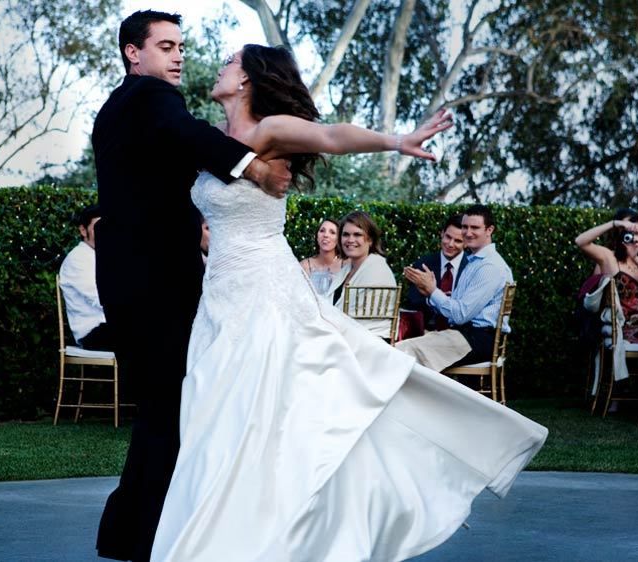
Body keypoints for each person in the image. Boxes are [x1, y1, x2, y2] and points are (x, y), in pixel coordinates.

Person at [149, 44, 547, 561]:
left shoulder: (267, 131)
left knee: (274, 407)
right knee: (216, 413)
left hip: (265, 293)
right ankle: (231, 529)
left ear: (246, 80)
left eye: (228, 61)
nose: (219, 65)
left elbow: (332, 136)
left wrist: (399, 140)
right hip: (221, 297)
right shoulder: (213, 140)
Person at [92, 11, 294, 561]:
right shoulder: (153, 99)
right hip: (157, 281)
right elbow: (190, 134)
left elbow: (142, 178)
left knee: (162, 407)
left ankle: (135, 531)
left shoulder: (118, 107)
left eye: (181, 45)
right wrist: (251, 167)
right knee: (172, 408)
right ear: (134, 53)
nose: (178, 55)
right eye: (165, 45)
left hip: (130, 278)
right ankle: (156, 536)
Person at [395, 205, 513, 372]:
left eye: (475, 227)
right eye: (465, 227)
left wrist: (432, 290)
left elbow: (459, 315)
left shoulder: (489, 266)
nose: (468, 232)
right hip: (465, 335)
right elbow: (456, 311)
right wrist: (429, 293)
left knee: (403, 353)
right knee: (400, 349)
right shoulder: (476, 261)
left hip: (477, 339)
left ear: (489, 230)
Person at [576, 210, 638, 344]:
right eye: (633, 233)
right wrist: (613, 224)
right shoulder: (609, 257)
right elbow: (580, 241)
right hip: (618, 324)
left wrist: (635, 258)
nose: (637, 239)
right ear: (624, 234)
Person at [328, 211, 398, 339]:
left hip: (369, 342)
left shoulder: (377, 269)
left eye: (357, 235)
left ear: (370, 240)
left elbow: (358, 320)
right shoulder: (347, 269)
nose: (350, 240)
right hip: (344, 336)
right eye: (346, 235)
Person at [58, 204, 113, 350]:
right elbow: (100, 299)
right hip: (92, 333)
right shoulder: (77, 259)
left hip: (111, 328)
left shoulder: (104, 256)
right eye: (98, 227)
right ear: (83, 230)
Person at [404, 214, 467, 331]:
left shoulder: (471, 267)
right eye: (448, 237)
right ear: (442, 233)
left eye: (458, 241)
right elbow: (412, 303)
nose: (450, 244)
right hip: (426, 332)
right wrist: (433, 298)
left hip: (461, 334)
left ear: (466, 243)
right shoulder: (423, 264)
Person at [299, 218, 343, 294]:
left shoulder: (346, 265)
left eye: (332, 232)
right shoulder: (304, 266)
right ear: (317, 236)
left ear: (338, 239)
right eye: (322, 231)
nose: (326, 235)